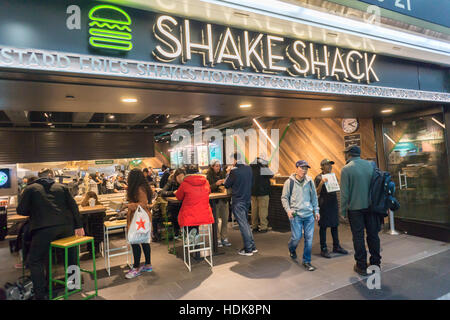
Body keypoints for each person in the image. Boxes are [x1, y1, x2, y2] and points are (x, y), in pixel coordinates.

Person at [16, 168, 85, 300]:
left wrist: (34, 209)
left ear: (38, 176)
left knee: (35, 260)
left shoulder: (30, 189)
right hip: (66, 227)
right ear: (51, 176)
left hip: (43, 229)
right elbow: (73, 206)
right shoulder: (62, 187)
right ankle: (73, 285)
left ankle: (40, 294)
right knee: (71, 256)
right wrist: (79, 225)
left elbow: (21, 210)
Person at [340, 145, 381, 276]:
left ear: (349, 154)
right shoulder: (371, 165)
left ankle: (361, 265)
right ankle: (375, 263)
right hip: (371, 207)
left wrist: (342, 212)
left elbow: (344, 194)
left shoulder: (346, 169)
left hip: (355, 209)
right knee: (373, 235)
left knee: (358, 237)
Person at [281, 160, 320, 271]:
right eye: (302, 168)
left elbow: (314, 197)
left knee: (309, 238)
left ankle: (306, 261)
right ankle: (292, 248)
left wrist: (316, 211)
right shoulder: (289, 182)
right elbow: (284, 198)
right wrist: (288, 210)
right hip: (296, 214)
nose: (304, 170)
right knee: (296, 237)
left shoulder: (310, 181)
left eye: (306, 168)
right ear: (297, 168)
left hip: (308, 215)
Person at [224, 152, 257, 256]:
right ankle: (252, 246)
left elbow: (226, 184)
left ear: (235, 160)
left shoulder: (234, 171)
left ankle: (248, 249)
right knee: (246, 223)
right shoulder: (249, 169)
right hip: (247, 199)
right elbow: (252, 183)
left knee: (243, 225)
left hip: (238, 200)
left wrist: (228, 173)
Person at [314, 159, 348, 258]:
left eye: (331, 165)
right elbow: (316, 192)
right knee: (323, 227)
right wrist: (321, 183)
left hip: (333, 204)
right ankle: (323, 248)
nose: (330, 166)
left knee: (335, 225)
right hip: (324, 204)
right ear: (322, 166)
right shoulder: (318, 177)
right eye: (327, 165)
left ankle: (336, 246)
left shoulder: (333, 176)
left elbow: (336, 190)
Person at [125, 169, 153, 279]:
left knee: (135, 241)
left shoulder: (139, 189)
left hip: (138, 218)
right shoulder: (142, 187)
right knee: (144, 241)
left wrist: (129, 206)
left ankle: (136, 268)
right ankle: (148, 265)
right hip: (142, 218)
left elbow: (143, 203)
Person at [176, 164, 214, 242]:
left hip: (189, 216)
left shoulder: (184, 183)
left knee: (186, 217)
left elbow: (179, 197)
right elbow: (208, 192)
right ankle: (194, 234)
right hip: (205, 214)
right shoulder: (206, 182)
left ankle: (190, 235)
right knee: (194, 218)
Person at [206, 160, 231, 247]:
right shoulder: (208, 175)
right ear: (212, 166)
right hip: (214, 201)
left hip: (223, 199)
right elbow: (207, 188)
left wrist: (224, 182)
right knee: (215, 220)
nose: (218, 168)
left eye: (219, 166)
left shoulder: (222, 174)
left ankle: (224, 237)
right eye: (216, 166)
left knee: (225, 219)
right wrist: (216, 184)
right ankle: (217, 238)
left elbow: (227, 185)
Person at [250, 156, 274, 233]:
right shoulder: (263, 167)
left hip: (253, 192)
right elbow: (271, 175)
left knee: (254, 210)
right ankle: (263, 227)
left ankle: (254, 226)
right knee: (263, 210)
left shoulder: (251, 167)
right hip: (263, 192)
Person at [161, 168, 185, 238]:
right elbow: (162, 192)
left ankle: (186, 231)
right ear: (175, 177)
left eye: (182, 177)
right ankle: (177, 231)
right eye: (179, 177)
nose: (181, 179)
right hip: (173, 206)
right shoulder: (171, 182)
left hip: (183, 205)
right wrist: (173, 193)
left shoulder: (186, 183)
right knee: (175, 213)